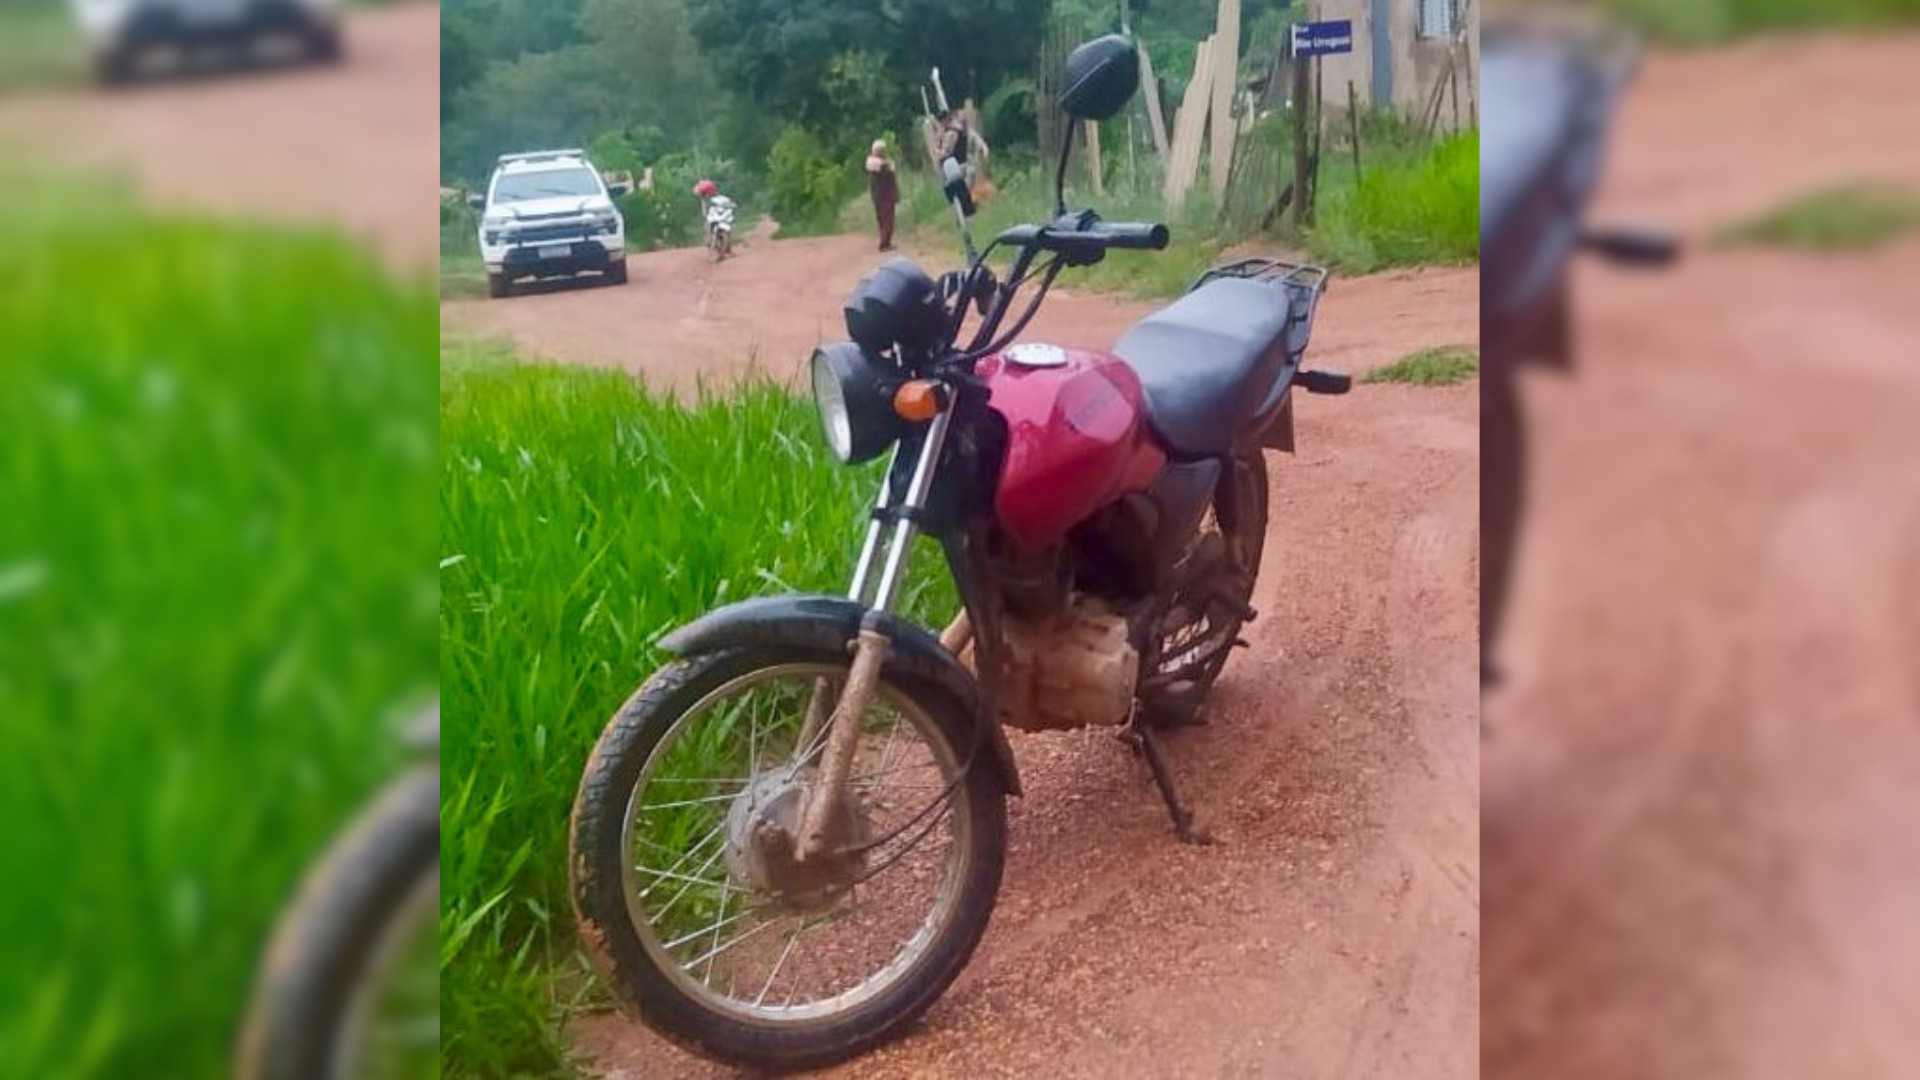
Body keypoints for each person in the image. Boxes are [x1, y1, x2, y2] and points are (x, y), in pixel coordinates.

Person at [864, 139, 899, 252]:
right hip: (885, 195)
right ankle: (884, 243)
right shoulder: (880, 163)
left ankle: (885, 241)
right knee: (887, 219)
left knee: (882, 219)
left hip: (878, 195)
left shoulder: (873, 162)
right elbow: (890, 173)